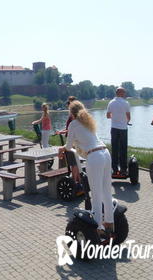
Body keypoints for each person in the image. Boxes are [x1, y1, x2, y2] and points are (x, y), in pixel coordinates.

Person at [58, 101, 114, 238]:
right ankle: (110, 224)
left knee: (96, 194)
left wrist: (61, 149)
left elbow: (69, 145)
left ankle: (98, 228)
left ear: (71, 113)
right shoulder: (88, 121)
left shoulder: (73, 124)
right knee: (107, 192)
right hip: (105, 153)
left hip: (94, 157)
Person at [56, 96, 81, 189]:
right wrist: (63, 131)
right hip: (74, 140)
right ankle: (77, 180)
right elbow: (68, 128)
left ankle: (74, 181)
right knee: (75, 162)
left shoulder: (73, 117)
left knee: (73, 163)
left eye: (70, 104)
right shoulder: (77, 117)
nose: (68, 105)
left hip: (72, 141)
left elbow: (71, 129)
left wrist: (64, 132)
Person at [106, 87, 131, 176]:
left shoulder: (111, 102)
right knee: (123, 149)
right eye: (124, 92)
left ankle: (115, 169)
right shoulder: (126, 103)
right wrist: (126, 121)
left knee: (114, 149)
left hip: (114, 128)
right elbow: (128, 117)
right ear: (120, 93)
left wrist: (115, 117)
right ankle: (123, 170)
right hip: (123, 129)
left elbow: (108, 116)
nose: (125, 94)